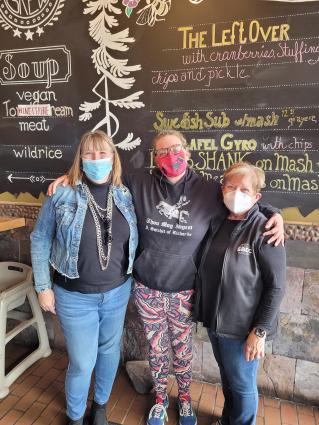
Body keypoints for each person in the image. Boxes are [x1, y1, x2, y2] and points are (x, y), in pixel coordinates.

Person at [47, 130, 284, 425]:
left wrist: (274, 212)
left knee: (183, 352)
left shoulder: (210, 189)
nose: (170, 156)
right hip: (147, 288)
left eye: (175, 149)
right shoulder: (138, 182)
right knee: (157, 350)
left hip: (186, 290)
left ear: (187, 151)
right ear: (155, 158)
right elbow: (100, 181)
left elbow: (243, 199)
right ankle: (160, 398)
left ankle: (184, 399)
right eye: (162, 152)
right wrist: (69, 179)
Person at [31, 130, 138, 425]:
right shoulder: (61, 193)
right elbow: (40, 239)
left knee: (108, 353)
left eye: (102, 153)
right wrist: (43, 287)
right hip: (73, 295)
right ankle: (76, 418)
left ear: (113, 157)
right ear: (80, 158)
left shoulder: (125, 194)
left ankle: (99, 412)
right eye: (89, 154)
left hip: (117, 291)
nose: (96, 159)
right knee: (81, 362)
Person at [194, 162, 286, 425]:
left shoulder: (265, 229)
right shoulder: (218, 220)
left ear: (257, 196)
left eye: (244, 189)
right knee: (228, 378)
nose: (236, 193)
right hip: (216, 321)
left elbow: (276, 287)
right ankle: (228, 420)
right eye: (231, 186)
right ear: (222, 188)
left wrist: (259, 332)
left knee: (243, 385)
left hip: (243, 328)